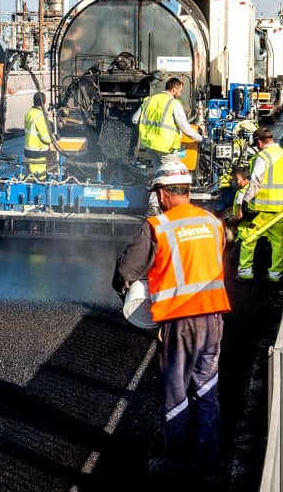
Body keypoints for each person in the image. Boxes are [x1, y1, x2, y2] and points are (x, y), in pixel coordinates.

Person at [112, 161, 231, 484]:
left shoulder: (157, 227)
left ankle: (176, 463)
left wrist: (126, 289)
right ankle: (209, 465)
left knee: (175, 392)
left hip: (180, 321)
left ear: (163, 194)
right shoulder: (212, 223)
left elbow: (127, 272)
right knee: (206, 389)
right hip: (213, 318)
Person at [133, 77, 205, 214]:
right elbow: (186, 129)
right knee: (173, 174)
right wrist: (202, 139)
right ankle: (156, 206)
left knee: (160, 173)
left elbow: (135, 119)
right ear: (174, 89)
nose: (179, 94)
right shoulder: (174, 104)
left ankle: (155, 205)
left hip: (149, 144)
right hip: (165, 146)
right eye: (179, 91)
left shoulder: (148, 100)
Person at [236, 126, 283, 283]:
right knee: (278, 242)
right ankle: (275, 275)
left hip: (263, 208)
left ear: (259, 142)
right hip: (282, 208)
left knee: (249, 238)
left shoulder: (263, 158)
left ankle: (245, 272)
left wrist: (245, 202)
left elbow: (255, 182)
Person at [23, 91, 56, 178]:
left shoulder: (29, 113)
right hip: (38, 152)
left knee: (32, 174)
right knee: (40, 177)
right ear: (44, 102)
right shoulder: (40, 116)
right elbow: (46, 138)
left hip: (28, 150)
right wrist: (51, 123)